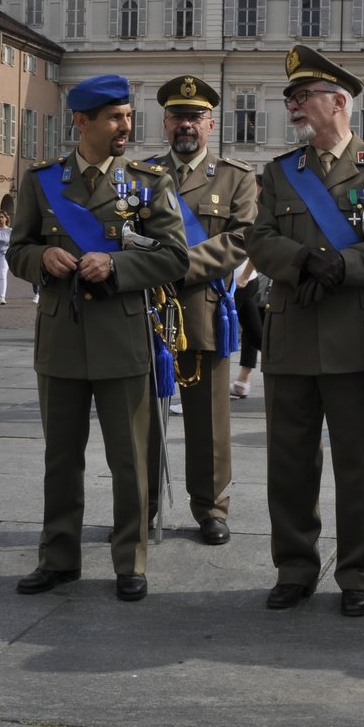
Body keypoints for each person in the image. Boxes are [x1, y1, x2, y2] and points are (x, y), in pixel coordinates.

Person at [245, 45, 364, 617]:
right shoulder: (278, 172)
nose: (293, 106)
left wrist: (344, 265)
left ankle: (359, 571)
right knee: (290, 461)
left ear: (338, 102)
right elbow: (260, 237)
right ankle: (295, 567)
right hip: (292, 334)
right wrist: (302, 262)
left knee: (359, 463)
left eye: (303, 97)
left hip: (354, 337)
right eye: (291, 98)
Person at [5, 74, 188, 602]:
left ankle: (130, 562)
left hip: (122, 336)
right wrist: (43, 258)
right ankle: (58, 558)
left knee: (129, 458)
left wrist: (116, 262)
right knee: (61, 457)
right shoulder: (43, 183)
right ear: (81, 122)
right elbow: (18, 249)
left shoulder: (149, 183)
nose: (125, 127)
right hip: (62, 337)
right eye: (114, 118)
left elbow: (174, 257)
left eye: (128, 116)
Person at [148, 74, 257, 546]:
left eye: (195, 117)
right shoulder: (141, 175)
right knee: (143, 419)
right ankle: (141, 504)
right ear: (165, 123)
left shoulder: (236, 177)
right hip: (148, 312)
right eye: (177, 117)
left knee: (210, 422)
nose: (185, 126)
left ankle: (211, 508)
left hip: (204, 311)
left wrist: (177, 265)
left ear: (211, 124)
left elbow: (242, 237)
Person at [231, 258, 264, 398]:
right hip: (244, 279)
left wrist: (244, 276)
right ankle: (243, 382)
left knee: (213, 340)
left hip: (238, 281)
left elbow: (254, 245)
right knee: (256, 336)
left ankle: (200, 395)